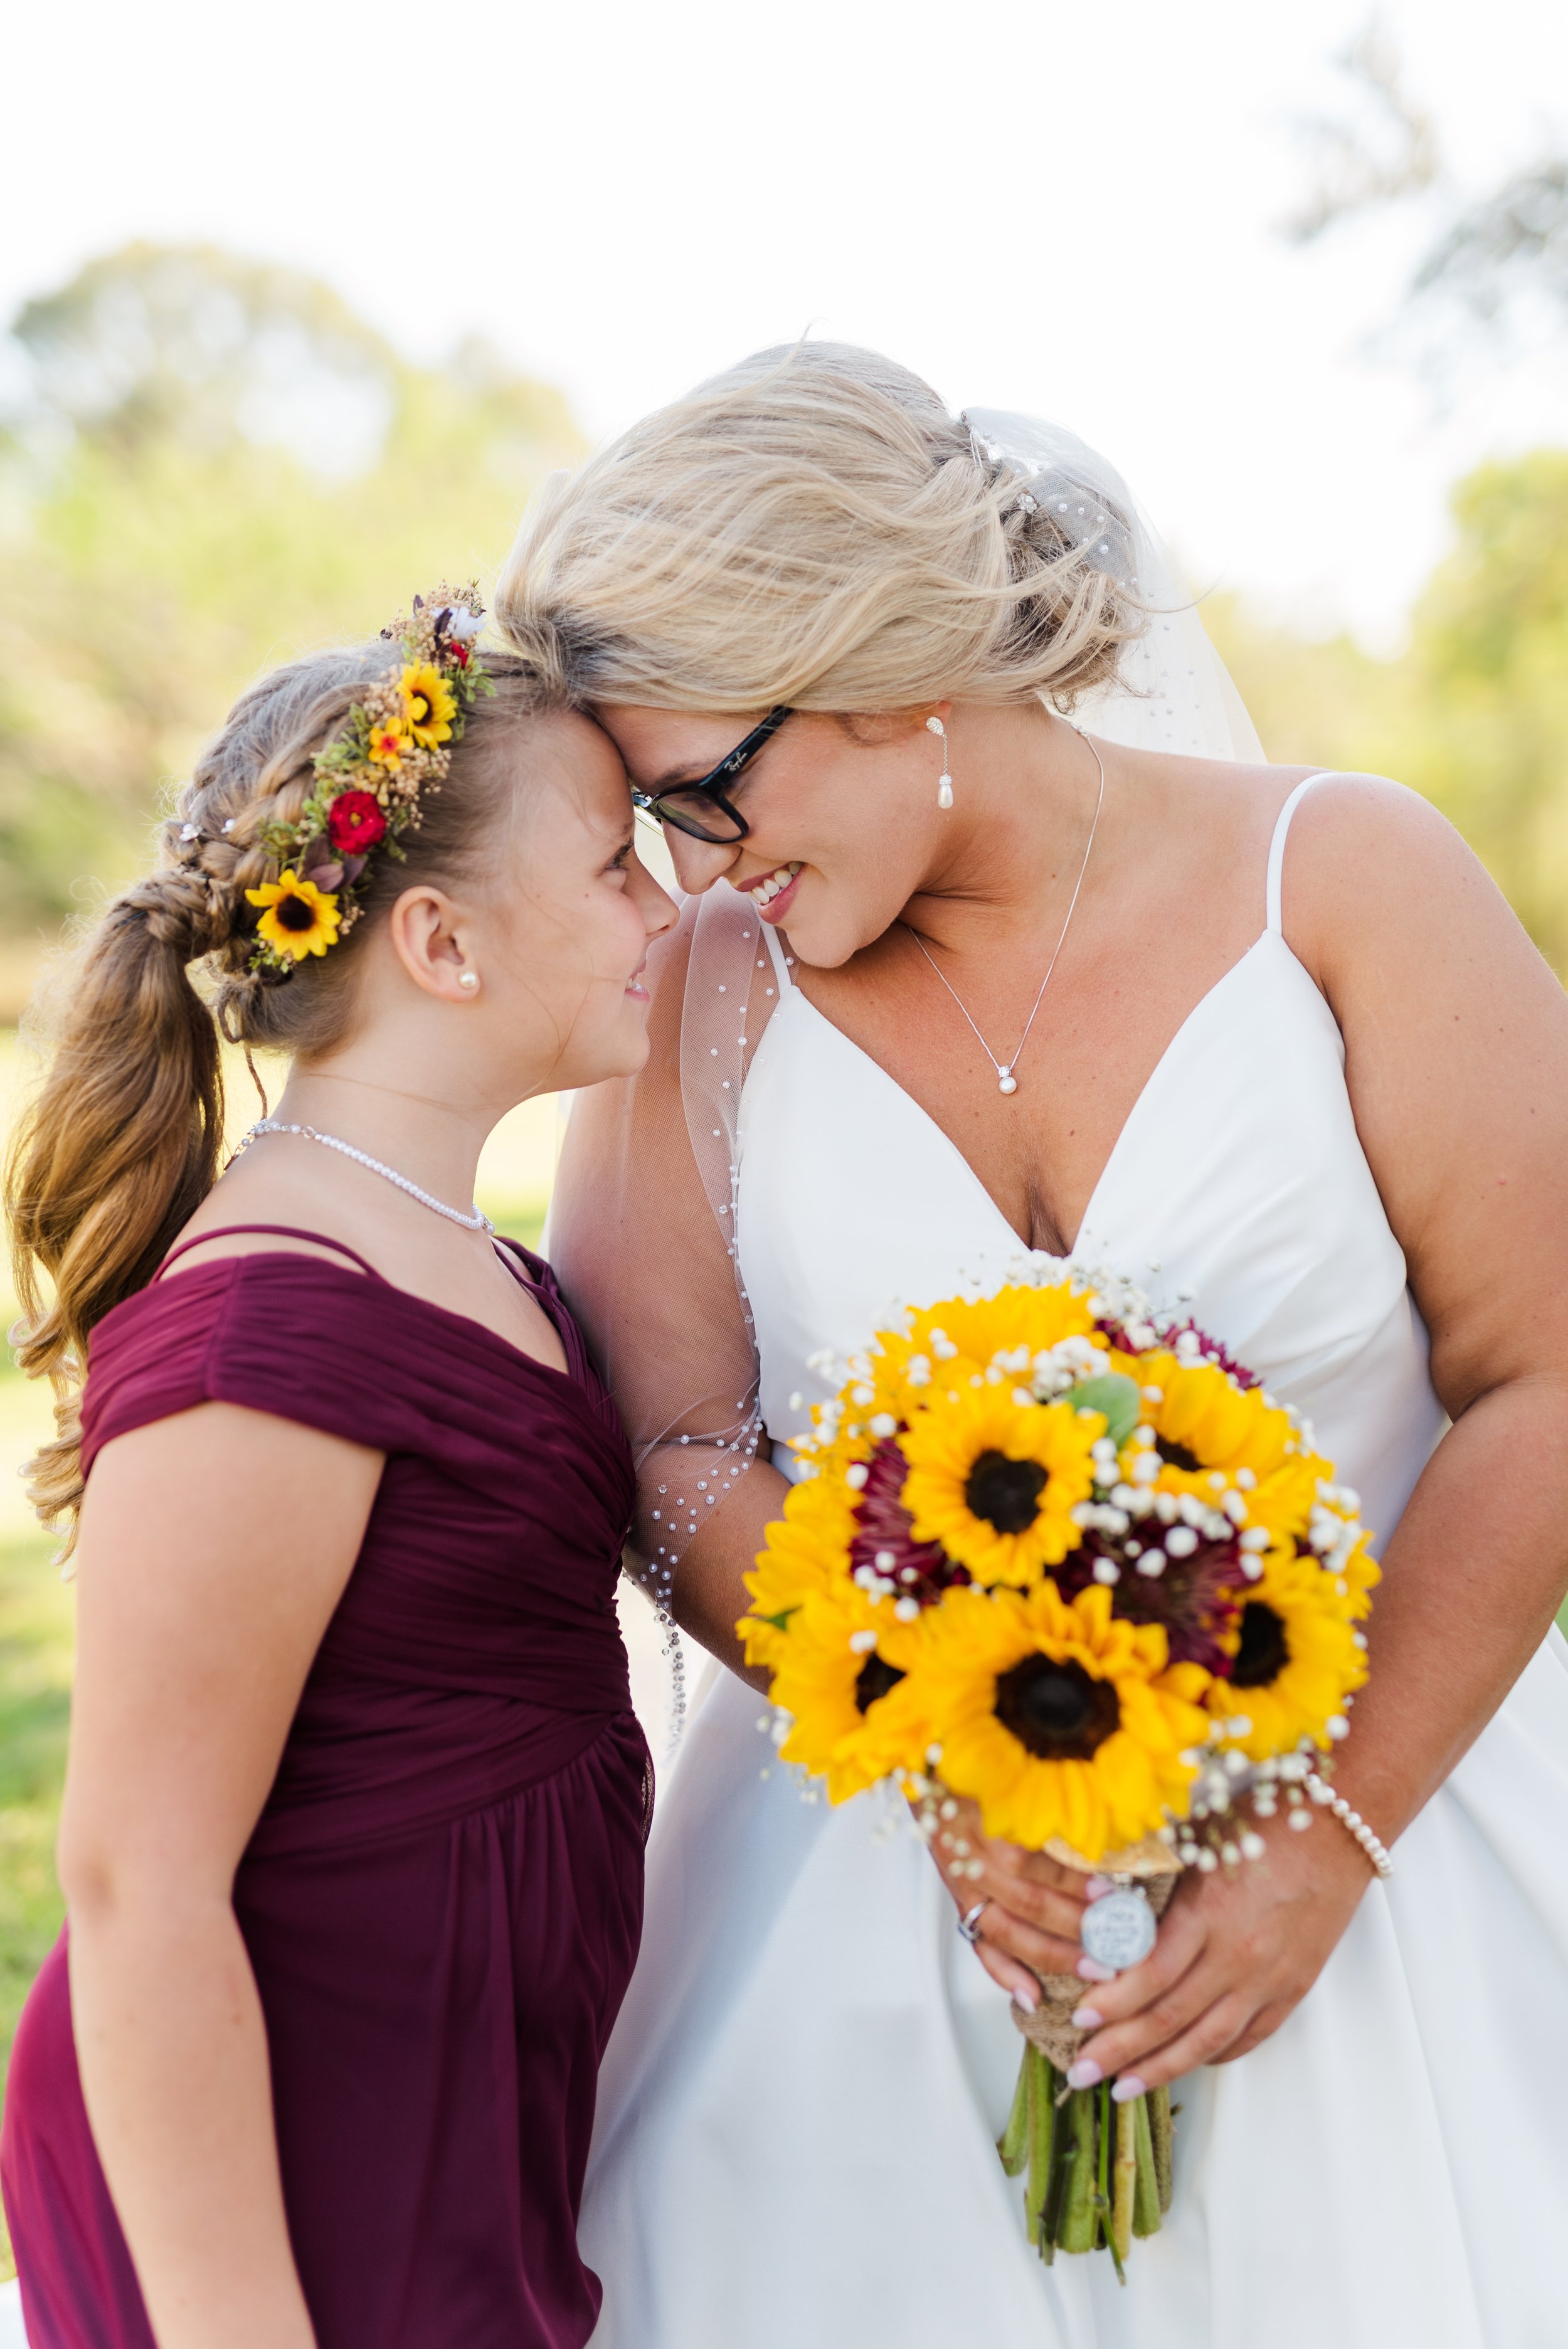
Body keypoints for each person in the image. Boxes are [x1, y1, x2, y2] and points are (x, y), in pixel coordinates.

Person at [497, 347, 1568, 2348]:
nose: (696, 864)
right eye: (651, 820)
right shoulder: (696, 1000)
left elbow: (1546, 1374)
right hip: (885, 1896)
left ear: (887, 657)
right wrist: (942, 1746)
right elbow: (680, 1448)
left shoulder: (1342, 881)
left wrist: (1326, 1836)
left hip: (1395, 1827)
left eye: (711, 789)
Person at [0, 590, 676, 2349]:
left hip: (444, 2101)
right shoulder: (274, 1325)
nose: (665, 909)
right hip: (277, 2163)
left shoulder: (472, 1259)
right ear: (442, 944)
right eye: (617, 865)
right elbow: (139, 1881)